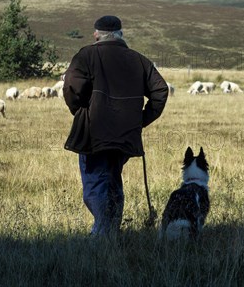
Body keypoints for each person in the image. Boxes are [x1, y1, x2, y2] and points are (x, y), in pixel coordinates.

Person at [63, 15, 168, 235]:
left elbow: (72, 88)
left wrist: (81, 111)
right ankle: (112, 230)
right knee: (112, 180)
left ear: (96, 34)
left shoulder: (87, 55)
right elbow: (160, 91)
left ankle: (102, 236)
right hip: (126, 135)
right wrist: (140, 120)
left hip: (94, 132)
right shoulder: (139, 60)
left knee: (96, 182)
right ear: (120, 33)